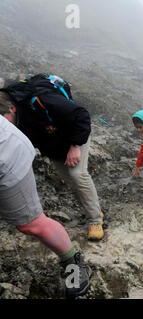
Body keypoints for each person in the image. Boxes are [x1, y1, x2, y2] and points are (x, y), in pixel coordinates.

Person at [0, 76, 104, 241]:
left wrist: (75, 146)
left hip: (75, 135)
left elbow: (81, 115)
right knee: (70, 180)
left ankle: (95, 220)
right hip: (53, 145)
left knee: (78, 175)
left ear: (12, 108)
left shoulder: (42, 100)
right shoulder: (13, 118)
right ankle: (92, 208)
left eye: (5, 121)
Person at [0, 114, 92, 298]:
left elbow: (80, 114)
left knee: (31, 224)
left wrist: (75, 145)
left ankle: (74, 263)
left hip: (8, 157)